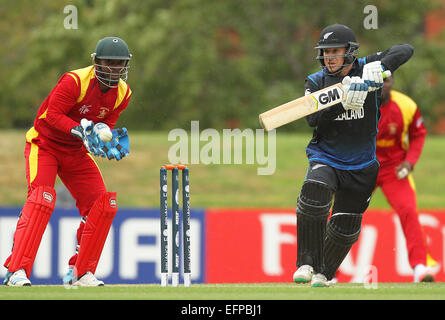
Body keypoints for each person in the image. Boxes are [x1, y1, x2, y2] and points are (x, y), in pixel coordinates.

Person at [3, 37, 132, 286]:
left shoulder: (124, 93)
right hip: (45, 145)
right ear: (96, 62)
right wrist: (79, 131)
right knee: (42, 199)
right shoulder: (74, 81)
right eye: (109, 63)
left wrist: (103, 142)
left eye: (120, 64)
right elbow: (51, 115)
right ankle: (16, 271)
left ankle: (79, 273)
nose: (115, 68)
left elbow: (107, 125)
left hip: (75, 153)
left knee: (102, 205)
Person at [292, 24, 414, 287]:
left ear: (350, 52)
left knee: (344, 226)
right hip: (326, 155)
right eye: (325, 53)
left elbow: (405, 49)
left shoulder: (367, 67)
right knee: (314, 193)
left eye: (335, 52)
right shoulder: (316, 81)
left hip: (362, 164)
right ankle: (306, 263)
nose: (329, 58)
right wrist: (341, 101)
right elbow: (311, 118)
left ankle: (324, 274)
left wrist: (381, 68)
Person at [375, 75, 436, 282]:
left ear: (392, 83)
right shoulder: (359, 104)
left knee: (409, 210)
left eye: (388, 81)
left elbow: (419, 134)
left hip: (395, 169)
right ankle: (329, 272)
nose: (383, 85)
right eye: (379, 80)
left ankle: (420, 267)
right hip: (363, 168)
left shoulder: (406, 105)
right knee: (343, 213)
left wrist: (410, 162)